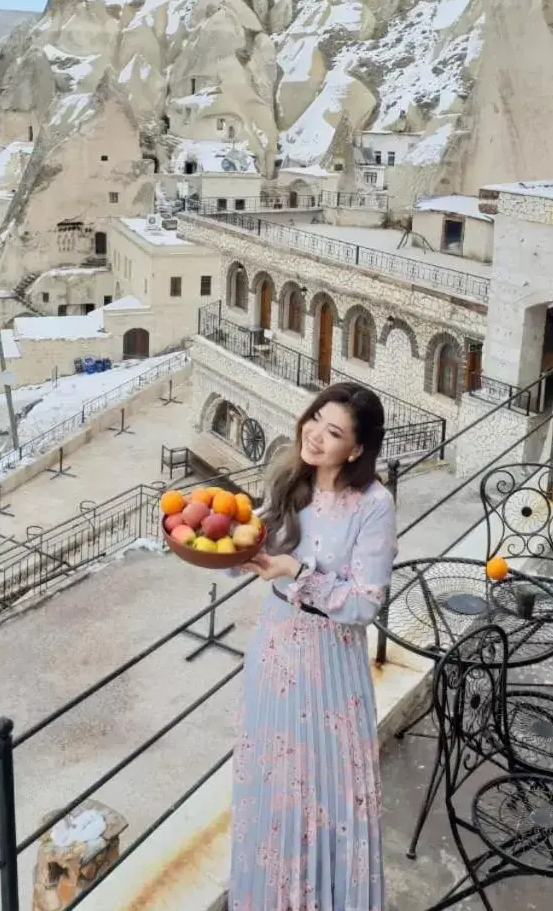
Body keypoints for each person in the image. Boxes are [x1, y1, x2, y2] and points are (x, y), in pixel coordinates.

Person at [228, 381, 398, 911]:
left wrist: (297, 573)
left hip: (329, 664)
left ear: (357, 448)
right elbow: (254, 546)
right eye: (315, 420)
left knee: (326, 792)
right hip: (274, 651)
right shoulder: (290, 480)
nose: (316, 436)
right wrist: (224, 543)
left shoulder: (374, 505)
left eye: (334, 431)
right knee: (275, 784)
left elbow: (365, 603)